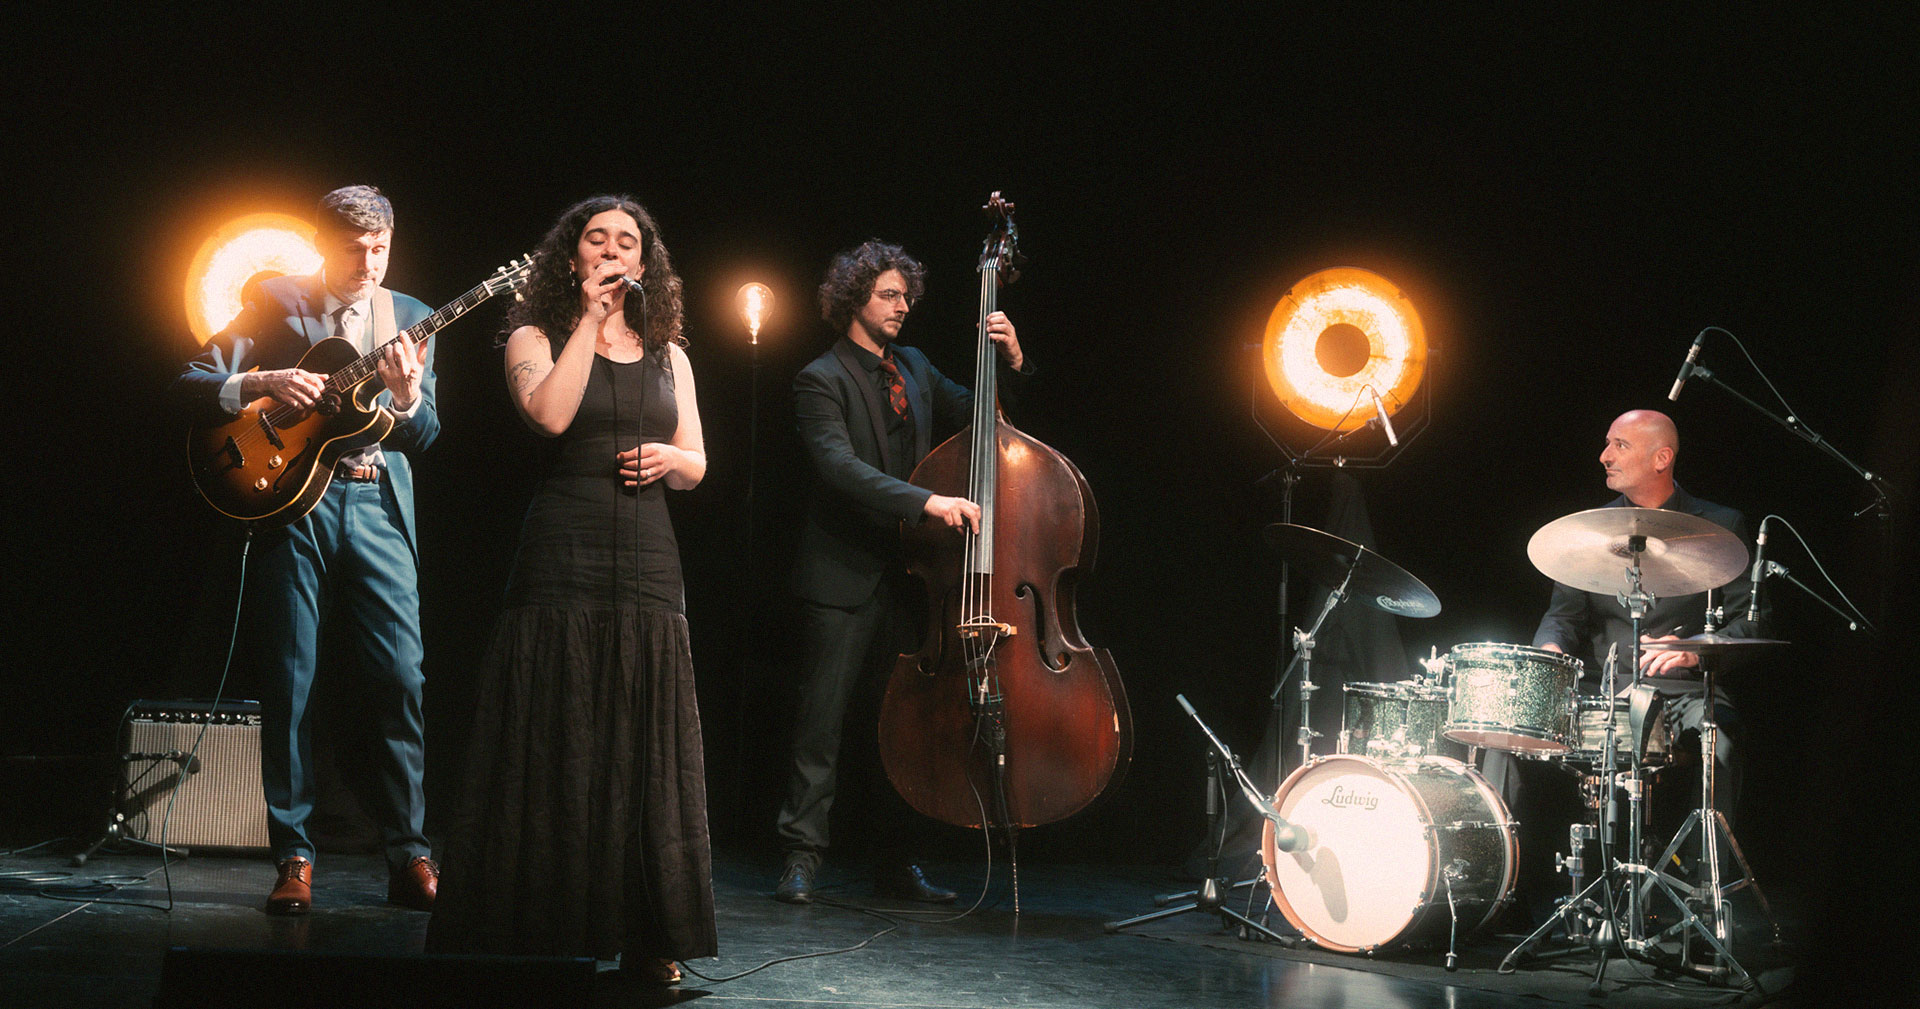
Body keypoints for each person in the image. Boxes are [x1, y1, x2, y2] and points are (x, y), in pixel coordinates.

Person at [424, 196, 713, 985]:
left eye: (628, 242)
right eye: (597, 239)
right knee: (558, 726)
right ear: (573, 256)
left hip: (649, 557)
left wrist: (668, 459)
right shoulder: (533, 334)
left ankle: (651, 932)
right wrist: (588, 321)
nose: (613, 251)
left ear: (645, 263)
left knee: (643, 738)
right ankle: (539, 922)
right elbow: (549, 416)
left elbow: (697, 462)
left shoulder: (671, 355)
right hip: (563, 552)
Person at [171, 185, 438, 916]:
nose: (369, 262)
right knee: (290, 679)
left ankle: (409, 851)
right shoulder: (275, 300)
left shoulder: (410, 319)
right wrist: (261, 379)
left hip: (377, 505)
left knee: (400, 678)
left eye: (381, 247)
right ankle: (292, 854)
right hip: (294, 510)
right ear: (325, 244)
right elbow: (191, 380)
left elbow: (426, 433)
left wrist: (409, 398)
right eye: (354, 248)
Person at [773, 239, 1027, 904]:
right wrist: (928, 501)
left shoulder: (912, 364)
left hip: (912, 577)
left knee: (905, 723)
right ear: (853, 298)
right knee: (821, 724)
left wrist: (1008, 361)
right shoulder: (819, 378)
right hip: (841, 576)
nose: (902, 306)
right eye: (889, 294)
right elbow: (838, 467)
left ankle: (896, 859)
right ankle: (802, 855)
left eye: (906, 296)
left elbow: (982, 419)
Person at [1489, 408, 1757, 920]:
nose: (1604, 455)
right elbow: (1560, 618)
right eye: (1607, 443)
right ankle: (1501, 895)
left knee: (1718, 744)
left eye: (1619, 445)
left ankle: (1703, 899)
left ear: (1662, 458)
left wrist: (1700, 648)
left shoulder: (1719, 527)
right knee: (1505, 738)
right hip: (1599, 690)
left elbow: (1750, 622)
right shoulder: (1590, 531)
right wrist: (1548, 654)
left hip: (1682, 692)